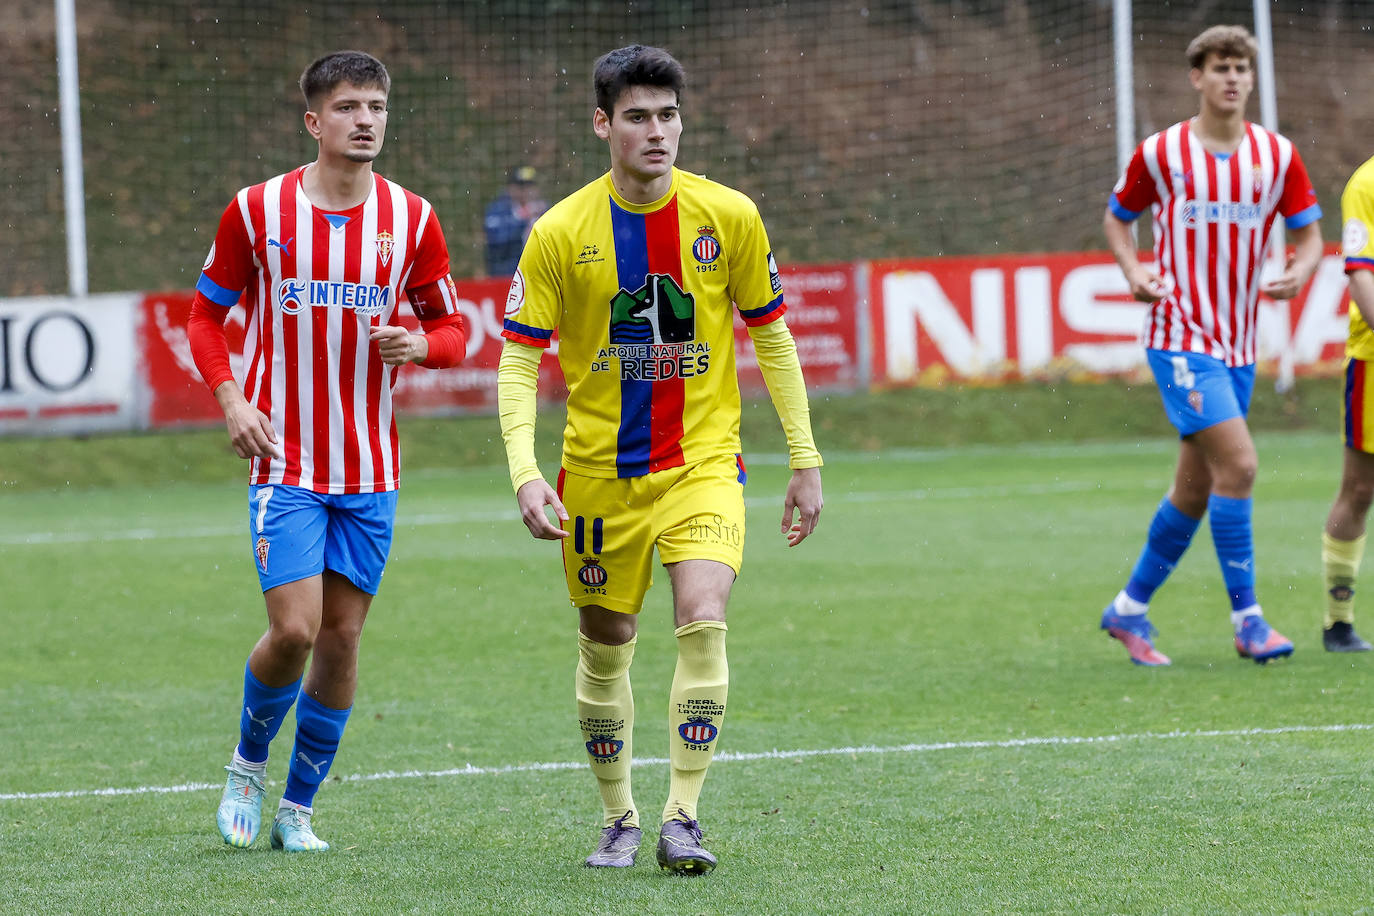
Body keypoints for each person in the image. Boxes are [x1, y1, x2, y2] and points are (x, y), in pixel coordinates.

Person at [497, 44, 823, 874]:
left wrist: (804, 457)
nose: (657, 131)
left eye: (668, 115)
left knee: (702, 618)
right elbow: (519, 360)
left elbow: (773, 337)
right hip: (599, 477)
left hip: (704, 463)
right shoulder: (560, 232)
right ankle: (619, 816)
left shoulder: (729, 216)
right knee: (608, 641)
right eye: (637, 117)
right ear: (603, 124)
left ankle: (683, 814)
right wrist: (526, 472)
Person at [187, 50, 468, 852]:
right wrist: (233, 398)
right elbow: (205, 318)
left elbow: (452, 330)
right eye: (348, 107)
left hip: (370, 466)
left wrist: (420, 345)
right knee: (297, 630)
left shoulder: (412, 219)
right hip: (286, 459)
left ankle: (299, 810)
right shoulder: (257, 210)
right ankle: (247, 764)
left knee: (343, 638)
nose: (366, 120)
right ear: (314, 121)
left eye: (376, 105)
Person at [1099, 24, 1323, 666]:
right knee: (1244, 466)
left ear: (1252, 80)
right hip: (1179, 338)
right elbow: (1118, 218)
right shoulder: (1163, 152)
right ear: (1196, 77)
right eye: (1220, 68)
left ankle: (1129, 608)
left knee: (1197, 489)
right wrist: (1134, 270)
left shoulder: (1276, 157)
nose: (1231, 79)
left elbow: (1309, 235)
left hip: (1239, 343)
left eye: (1241, 69)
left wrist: (1302, 269)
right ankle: (1249, 621)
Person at [1319, 154, 1374, 653]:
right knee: (1359, 490)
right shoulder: (1366, 183)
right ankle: (1339, 622)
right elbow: (1361, 277)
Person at [484, 165, 546, 278]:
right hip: (506, 276)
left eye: (529, 186)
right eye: (521, 186)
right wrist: (521, 219)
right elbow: (496, 241)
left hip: (538, 275)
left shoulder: (545, 210)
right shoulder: (498, 210)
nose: (525, 191)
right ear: (510, 188)